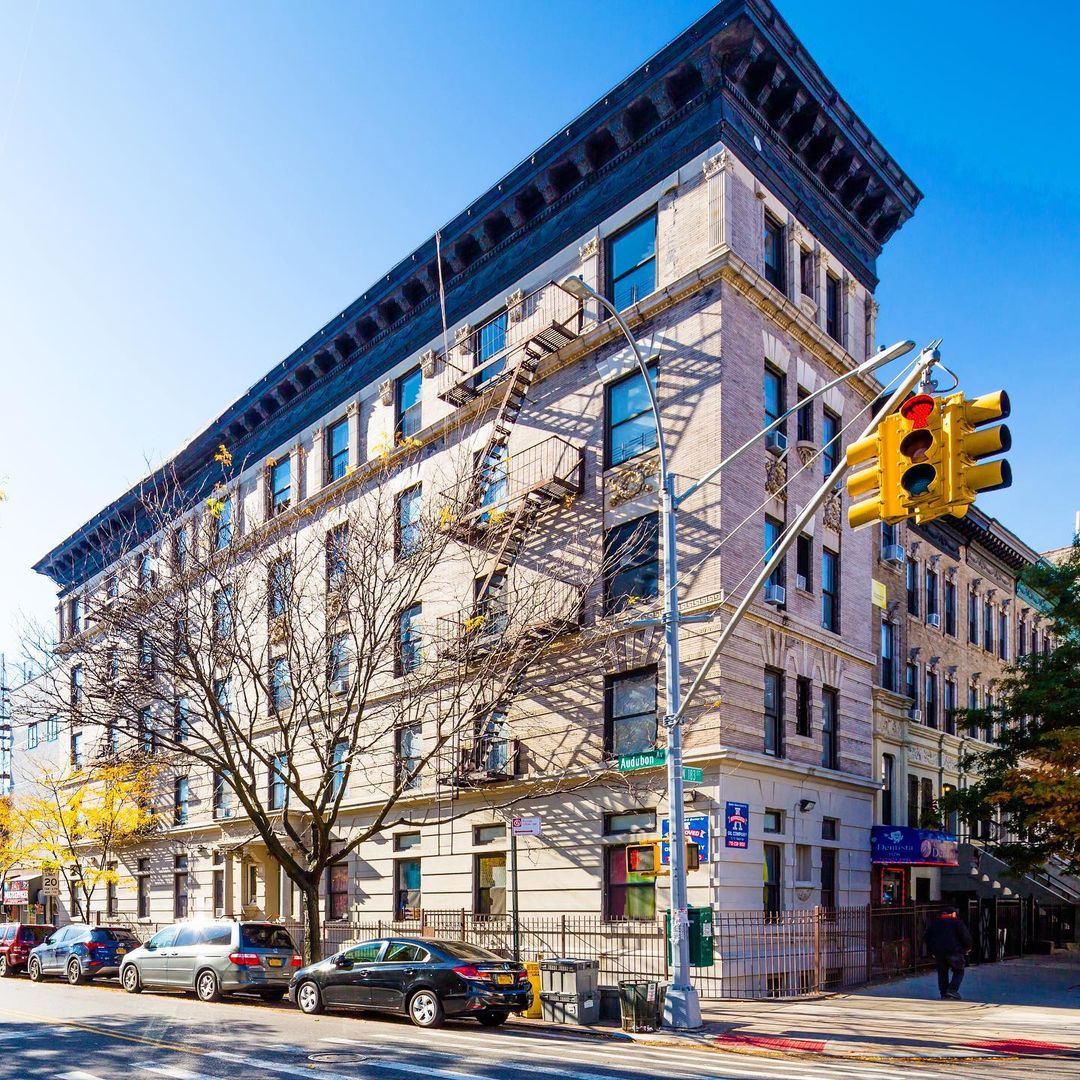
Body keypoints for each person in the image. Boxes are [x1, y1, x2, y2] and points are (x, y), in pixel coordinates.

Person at [923, 907, 973, 1000]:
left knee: (942, 972)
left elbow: (927, 937)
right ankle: (952, 990)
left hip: (939, 952)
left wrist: (932, 950)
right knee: (959, 970)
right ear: (953, 913)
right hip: (955, 951)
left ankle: (943, 992)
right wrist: (967, 948)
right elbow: (965, 936)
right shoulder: (957, 923)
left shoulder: (935, 923)